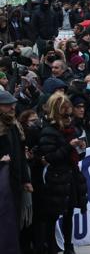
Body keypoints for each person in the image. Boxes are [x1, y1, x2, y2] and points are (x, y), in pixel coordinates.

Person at [37, 93, 87, 254]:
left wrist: (81, 148)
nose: (67, 114)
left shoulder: (71, 128)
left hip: (71, 176)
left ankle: (68, 245)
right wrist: (69, 147)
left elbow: (76, 155)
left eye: (68, 110)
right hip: (56, 178)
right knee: (52, 215)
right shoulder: (48, 130)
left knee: (69, 213)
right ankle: (51, 246)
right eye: (64, 111)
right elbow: (50, 157)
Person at [0, 91, 32, 227]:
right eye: (7, 105)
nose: (12, 108)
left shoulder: (14, 126)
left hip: (15, 181)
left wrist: (26, 180)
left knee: (14, 223)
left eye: (12, 104)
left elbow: (20, 156)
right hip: (2, 184)